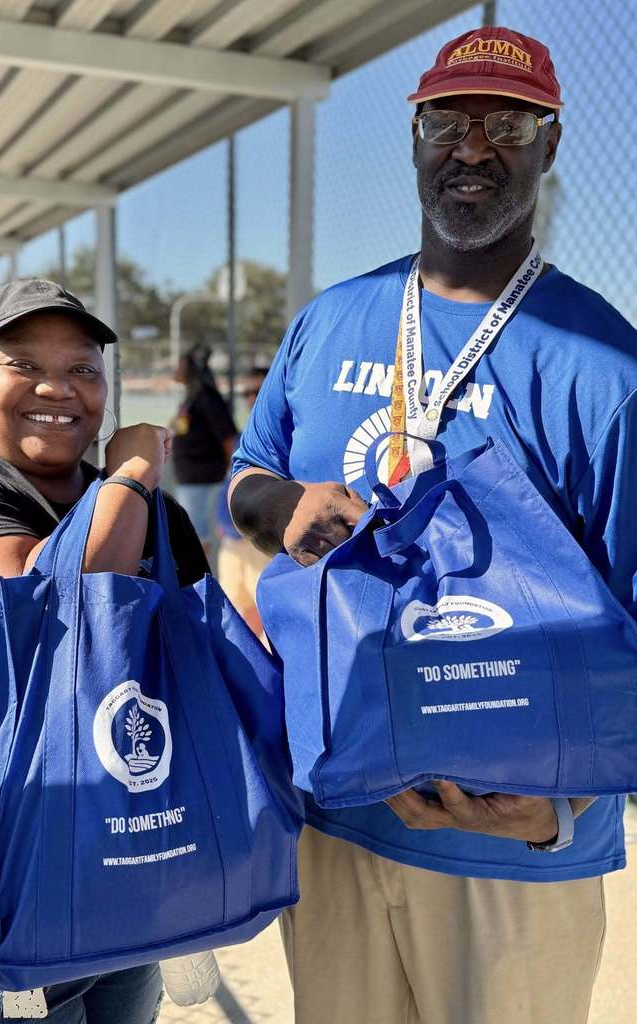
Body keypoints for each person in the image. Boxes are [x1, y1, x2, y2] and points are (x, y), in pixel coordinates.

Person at [230, 26, 637, 1024]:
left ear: (549, 145)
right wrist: (283, 507)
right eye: (449, 122)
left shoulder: (605, 367)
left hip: (510, 855)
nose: (473, 147)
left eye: (508, 125)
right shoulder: (331, 319)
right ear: (415, 137)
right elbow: (246, 477)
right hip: (336, 818)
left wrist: (564, 806)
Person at [0, 278, 208, 1023]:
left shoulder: (154, 516)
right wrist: (132, 473)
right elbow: (43, 629)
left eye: (82, 368)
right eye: (22, 363)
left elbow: (198, 666)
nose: (57, 387)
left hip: (123, 880)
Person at [215, 368, 270, 636]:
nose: (251, 398)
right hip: (231, 539)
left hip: (260, 542)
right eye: (246, 393)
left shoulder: (284, 436)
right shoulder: (244, 436)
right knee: (234, 616)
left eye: (257, 391)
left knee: (263, 619)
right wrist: (221, 517)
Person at [172, 344, 237, 553]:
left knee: (195, 534)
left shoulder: (207, 397)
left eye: (181, 365)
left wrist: (230, 471)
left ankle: (197, 571)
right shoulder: (191, 398)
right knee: (192, 531)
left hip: (203, 477)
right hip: (190, 477)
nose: (176, 370)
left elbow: (228, 436)